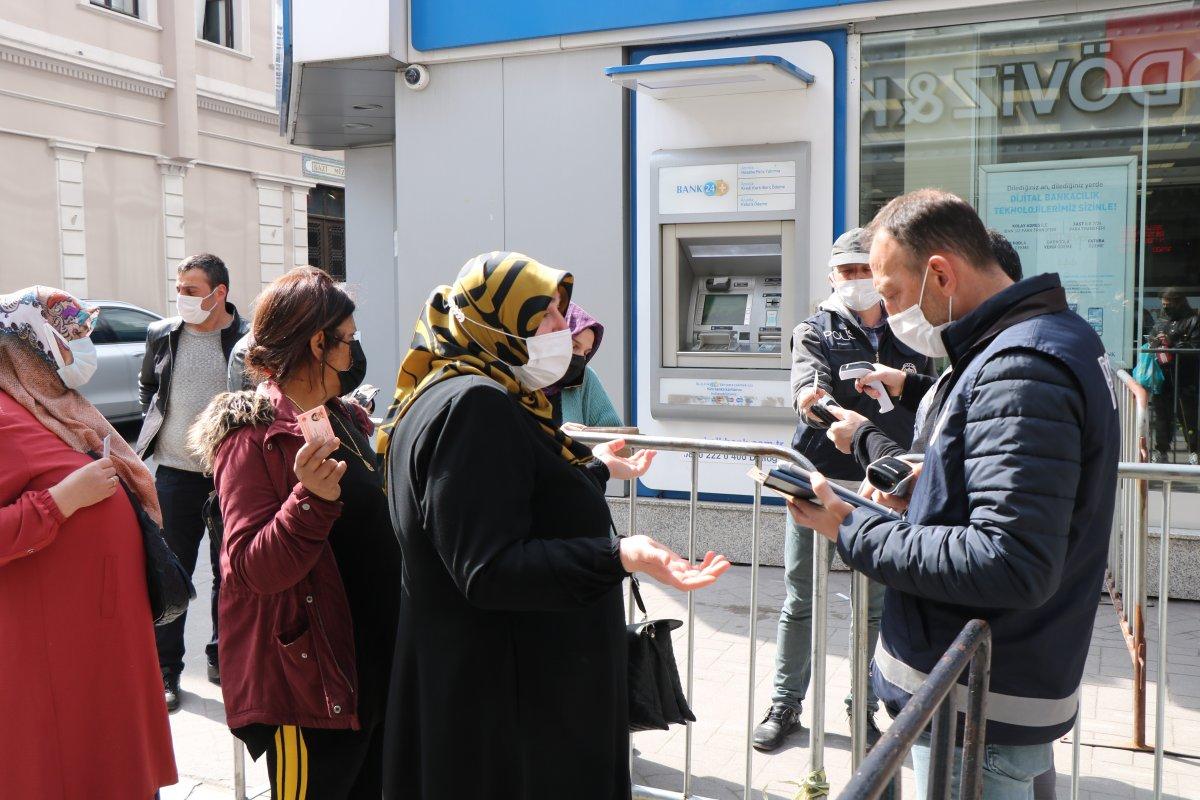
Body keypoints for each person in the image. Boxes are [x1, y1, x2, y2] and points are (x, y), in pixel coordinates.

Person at [787, 190, 1119, 800]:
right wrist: (928, 483)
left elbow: (1007, 560)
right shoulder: (1032, 343)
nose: (887, 311)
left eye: (890, 292)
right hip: (991, 693)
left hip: (978, 712)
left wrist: (850, 526)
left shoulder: (1021, 366)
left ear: (939, 273)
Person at [381, 251, 731, 800]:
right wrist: (619, 555)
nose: (560, 328)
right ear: (497, 321)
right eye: (542, 314)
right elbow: (488, 567)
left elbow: (510, 496)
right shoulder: (475, 406)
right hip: (513, 713)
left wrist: (594, 471)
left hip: (496, 693)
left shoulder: (452, 390)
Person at [188, 266, 401, 798]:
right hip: (311, 686)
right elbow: (250, 569)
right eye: (347, 340)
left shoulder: (342, 418)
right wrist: (308, 500)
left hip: (369, 667)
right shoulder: (250, 439)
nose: (355, 354)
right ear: (316, 343)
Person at [753, 228, 936, 753]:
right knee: (801, 597)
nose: (856, 281)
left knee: (874, 605)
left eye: (863, 271)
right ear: (831, 277)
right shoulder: (816, 328)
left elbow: (928, 403)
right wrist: (819, 404)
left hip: (884, 486)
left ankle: (864, 706)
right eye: (846, 272)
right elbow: (805, 386)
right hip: (819, 478)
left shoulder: (912, 329)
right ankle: (785, 704)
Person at [0, 286, 177, 798]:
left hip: (99, 636)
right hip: (57, 650)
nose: (83, 348)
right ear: (29, 342)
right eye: (70, 335)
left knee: (116, 764)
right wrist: (61, 501)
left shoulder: (47, 402)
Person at [136, 253, 249, 711]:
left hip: (227, 476)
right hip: (173, 476)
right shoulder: (161, 334)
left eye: (191, 290)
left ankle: (222, 658)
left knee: (230, 572)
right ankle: (166, 670)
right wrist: (157, 424)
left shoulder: (245, 340)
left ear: (219, 293)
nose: (181, 297)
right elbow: (148, 387)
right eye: (179, 288)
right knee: (170, 573)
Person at [545, 302, 622, 429]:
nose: (580, 357)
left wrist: (582, 438)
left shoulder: (585, 378)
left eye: (586, 353)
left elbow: (613, 432)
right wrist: (560, 437)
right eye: (574, 346)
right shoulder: (516, 379)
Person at [1149, 287, 1199, 465]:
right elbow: (1152, 339)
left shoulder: (1193, 321)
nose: (1165, 308)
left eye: (1168, 304)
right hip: (1163, 377)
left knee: (1188, 416)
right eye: (1163, 305)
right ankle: (1161, 450)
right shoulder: (1161, 321)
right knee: (1162, 417)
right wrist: (1155, 341)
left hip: (1186, 378)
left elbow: (1195, 347)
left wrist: (1172, 344)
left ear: (1179, 303)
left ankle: (1194, 451)